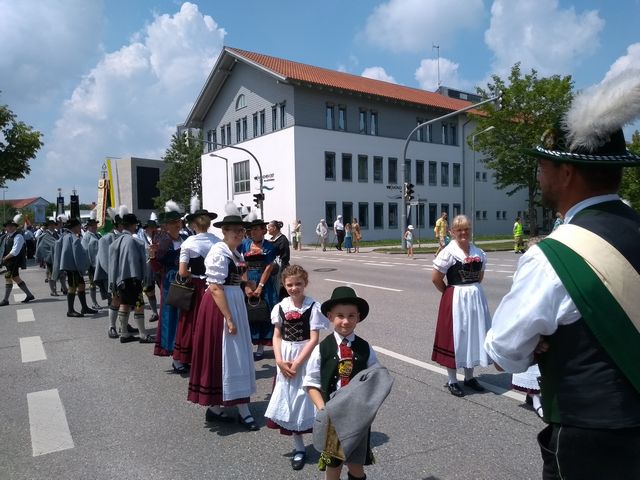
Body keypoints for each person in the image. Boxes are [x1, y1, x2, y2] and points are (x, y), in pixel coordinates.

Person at [484, 69, 640, 479]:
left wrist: (534, 345)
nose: (538, 174)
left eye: (543, 164)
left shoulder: (553, 255)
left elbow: (504, 351)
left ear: (567, 172)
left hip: (591, 441)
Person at [303, 286, 392, 480]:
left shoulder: (364, 347)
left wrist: (369, 405)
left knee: (356, 465)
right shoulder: (322, 349)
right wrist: (322, 409)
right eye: (340, 315)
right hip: (332, 418)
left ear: (358, 317)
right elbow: (310, 383)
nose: (345, 321)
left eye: (351, 316)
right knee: (333, 468)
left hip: (358, 418)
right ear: (330, 316)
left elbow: (377, 377)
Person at [187, 203, 258, 431]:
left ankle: (220, 407)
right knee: (230, 354)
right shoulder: (219, 251)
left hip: (234, 300)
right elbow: (216, 287)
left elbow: (237, 279)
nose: (238, 233)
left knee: (234, 354)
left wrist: (249, 286)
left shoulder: (235, 251)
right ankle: (238, 407)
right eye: (233, 230)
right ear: (224, 232)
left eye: (240, 230)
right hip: (221, 306)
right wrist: (228, 317)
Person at [264, 265, 329, 471]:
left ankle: (324, 443)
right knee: (290, 399)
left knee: (311, 398)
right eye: (290, 284)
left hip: (306, 357)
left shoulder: (313, 306)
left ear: (305, 284)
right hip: (285, 355)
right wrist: (279, 361)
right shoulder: (281, 306)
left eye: (298, 284)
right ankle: (298, 446)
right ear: (284, 285)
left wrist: (299, 362)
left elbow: (314, 338)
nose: (294, 288)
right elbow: (276, 335)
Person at [431, 214, 492, 397]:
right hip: (456, 297)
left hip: (474, 297)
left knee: (473, 334)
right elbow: (436, 278)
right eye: (459, 230)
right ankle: (452, 380)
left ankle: (470, 377)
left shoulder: (478, 252)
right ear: (452, 232)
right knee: (456, 336)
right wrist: (449, 293)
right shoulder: (448, 252)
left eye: (466, 229)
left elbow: (480, 276)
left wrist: (471, 290)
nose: (463, 232)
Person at [172, 204, 219, 373]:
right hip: (215, 287)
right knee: (211, 323)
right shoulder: (217, 241)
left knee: (189, 322)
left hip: (196, 287)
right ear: (209, 223)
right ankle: (208, 359)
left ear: (193, 225)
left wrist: (192, 276)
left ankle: (182, 359)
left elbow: (182, 272)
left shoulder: (188, 243)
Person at [108, 209, 154, 343]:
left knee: (124, 304)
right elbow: (134, 262)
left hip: (120, 280)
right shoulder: (132, 241)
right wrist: (142, 276)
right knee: (139, 305)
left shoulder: (117, 241)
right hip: (132, 279)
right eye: (135, 225)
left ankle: (124, 333)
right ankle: (143, 334)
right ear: (133, 225)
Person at [239, 212, 278, 360]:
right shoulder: (244, 244)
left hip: (264, 281)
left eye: (257, 229)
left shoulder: (269, 246)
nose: (254, 232)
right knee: (248, 313)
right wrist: (247, 285)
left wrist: (260, 286)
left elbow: (268, 267)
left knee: (263, 313)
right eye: (252, 229)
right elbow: (241, 265)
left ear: (263, 230)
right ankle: (248, 344)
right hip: (248, 278)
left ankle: (261, 346)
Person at [151, 200, 187, 357]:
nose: (177, 225)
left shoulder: (186, 238)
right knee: (171, 315)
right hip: (170, 281)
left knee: (186, 316)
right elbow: (157, 267)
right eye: (173, 222)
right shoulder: (163, 241)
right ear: (166, 225)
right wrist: (152, 256)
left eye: (178, 221)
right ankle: (174, 354)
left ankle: (184, 352)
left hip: (187, 278)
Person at [0, 214, 34, 306]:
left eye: (12, 226)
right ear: (6, 227)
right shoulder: (5, 237)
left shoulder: (18, 236)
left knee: (8, 278)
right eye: (8, 226)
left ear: (15, 227)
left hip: (14, 261)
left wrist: (4, 258)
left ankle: (6, 300)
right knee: (16, 278)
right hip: (8, 261)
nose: (10, 227)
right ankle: (29, 295)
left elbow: (15, 251)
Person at [138, 213, 160, 323]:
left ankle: (165, 312)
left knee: (163, 290)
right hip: (147, 268)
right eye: (148, 228)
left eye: (152, 227)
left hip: (160, 267)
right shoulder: (141, 238)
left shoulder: (161, 237)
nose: (150, 229)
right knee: (149, 291)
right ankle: (154, 312)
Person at [81, 211, 102, 310]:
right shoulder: (86, 236)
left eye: (96, 225)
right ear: (89, 226)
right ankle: (94, 302)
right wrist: (88, 264)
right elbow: (85, 251)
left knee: (102, 282)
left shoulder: (97, 235)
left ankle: (109, 299)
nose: (95, 226)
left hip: (99, 262)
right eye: (93, 225)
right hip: (92, 264)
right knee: (93, 284)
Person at [35, 219, 60, 296]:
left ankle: (55, 289)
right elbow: (41, 247)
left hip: (56, 256)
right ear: (48, 226)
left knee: (55, 273)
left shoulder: (56, 234)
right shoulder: (45, 235)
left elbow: (58, 243)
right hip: (49, 257)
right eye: (50, 225)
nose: (52, 226)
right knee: (50, 274)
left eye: (53, 224)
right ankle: (53, 291)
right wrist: (47, 254)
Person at [267, 220, 290, 300]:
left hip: (281, 267)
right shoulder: (271, 239)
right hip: (273, 267)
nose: (268, 229)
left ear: (274, 228)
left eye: (269, 227)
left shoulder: (283, 240)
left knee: (280, 288)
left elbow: (285, 257)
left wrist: (282, 272)